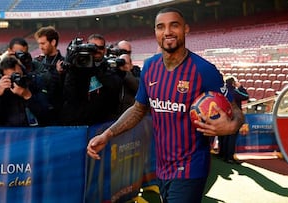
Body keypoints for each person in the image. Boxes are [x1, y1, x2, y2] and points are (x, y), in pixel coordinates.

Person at [87, 7, 244, 203]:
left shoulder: (204, 70)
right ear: (155, 32)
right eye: (161, 27)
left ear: (185, 29)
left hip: (191, 167)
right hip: (162, 167)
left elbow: (235, 109)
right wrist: (107, 134)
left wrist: (231, 125)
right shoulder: (150, 68)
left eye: (174, 25)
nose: (167, 31)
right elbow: (138, 109)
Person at [60, 34, 124, 125]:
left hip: (102, 123)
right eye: (92, 48)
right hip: (77, 122)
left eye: (100, 48)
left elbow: (114, 87)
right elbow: (69, 95)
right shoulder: (76, 67)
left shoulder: (110, 66)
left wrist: (95, 69)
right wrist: (72, 67)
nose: (96, 51)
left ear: (105, 50)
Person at [0, 56, 50, 127]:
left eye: (18, 74)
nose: (17, 79)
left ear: (22, 70)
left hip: (35, 130)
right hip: (10, 132)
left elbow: (46, 115)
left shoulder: (35, 81)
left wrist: (27, 96)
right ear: (3, 77)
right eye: (12, 77)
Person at [33, 26, 65, 124]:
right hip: (40, 113)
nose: (40, 47)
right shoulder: (38, 62)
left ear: (53, 42)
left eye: (43, 43)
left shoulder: (64, 63)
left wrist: (60, 74)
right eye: (39, 44)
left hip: (59, 114)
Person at [219, 76, 249, 164]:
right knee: (232, 137)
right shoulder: (235, 91)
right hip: (234, 116)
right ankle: (229, 157)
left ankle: (222, 154)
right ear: (233, 83)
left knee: (224, 136)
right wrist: (240, 87)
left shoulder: (222, 91)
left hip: (224, 116)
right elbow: (246, 96)